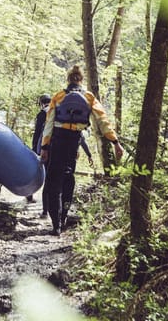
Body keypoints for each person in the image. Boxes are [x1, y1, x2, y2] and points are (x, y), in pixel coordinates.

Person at [40, 65, 123, 235]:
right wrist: (115, 142)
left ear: (68, 79)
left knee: (53, 180)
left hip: (57, 140)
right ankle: (64, 217)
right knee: (68, 177)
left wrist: (44, 147)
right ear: (81, 79)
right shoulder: (89, 97)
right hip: (74, 140)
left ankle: (55, 225)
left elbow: (48, 125)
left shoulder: (58, 96)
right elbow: (103, 121)